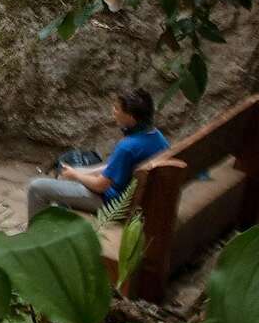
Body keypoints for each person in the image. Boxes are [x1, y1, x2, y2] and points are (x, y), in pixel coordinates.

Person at [27, 87, 169, 223]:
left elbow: (101, 186)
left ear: (130, 117)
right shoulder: (157, 137)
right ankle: (57, 224)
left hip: (112, 203)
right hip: (136, 198)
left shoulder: (128, 146)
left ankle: (36, 238)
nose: (113, 111)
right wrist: (78, 172)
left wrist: (75, 175)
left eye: (117, 108)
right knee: (68, 172)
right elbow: (114, 168)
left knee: (36, 187)